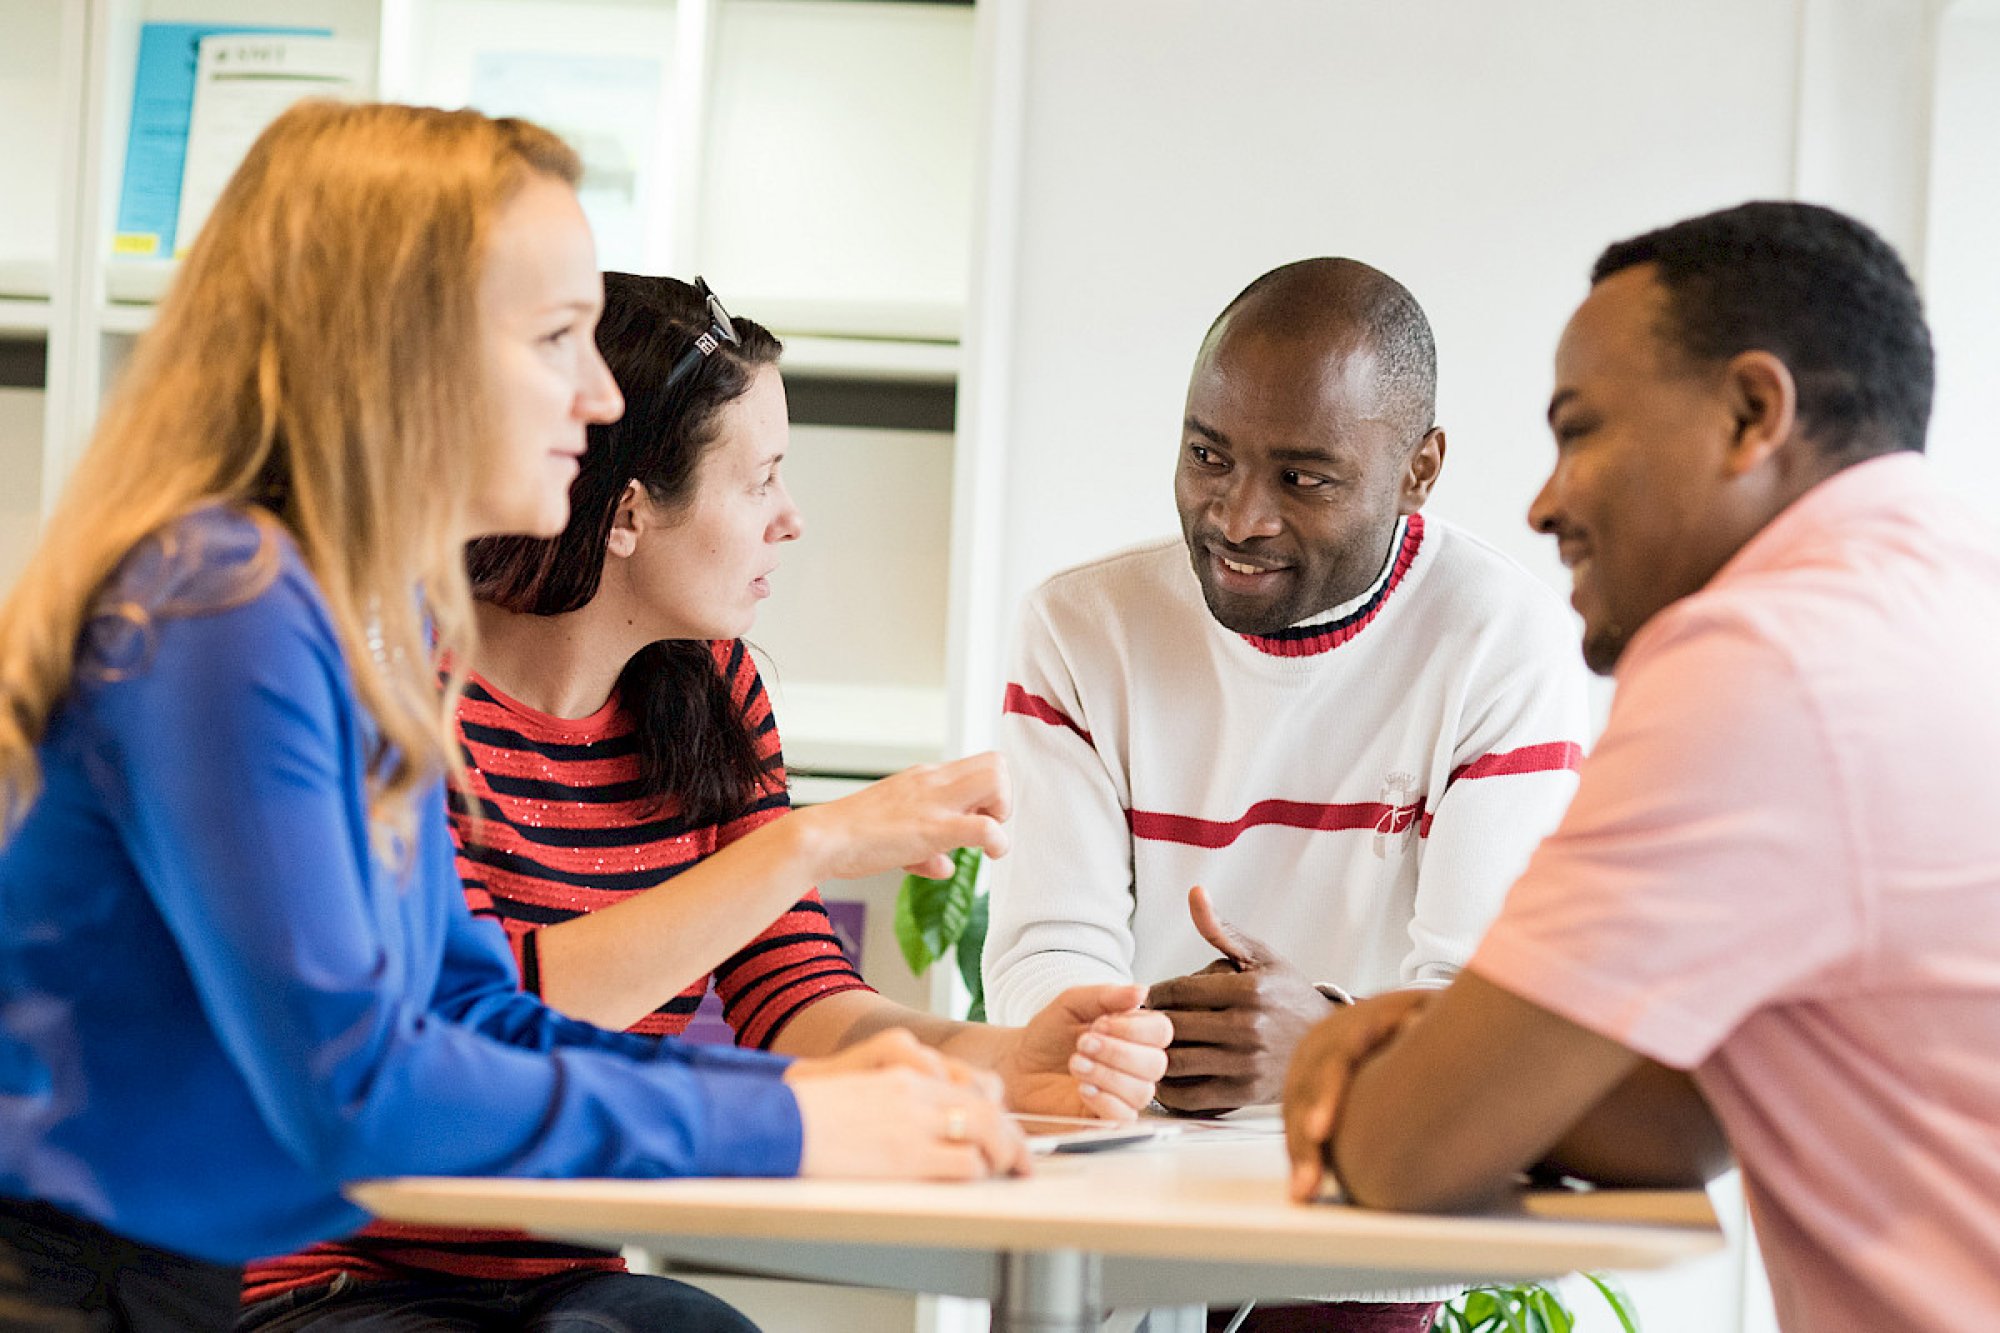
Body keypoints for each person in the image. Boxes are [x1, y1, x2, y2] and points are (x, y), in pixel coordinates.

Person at [0, 102, 1025, 1333]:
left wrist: (847, 1087)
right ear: (399, 349)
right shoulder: (227, 604)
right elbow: (360, 1084)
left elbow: (471, 1011)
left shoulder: (363, 615)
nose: (598, 400)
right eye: (556, 339)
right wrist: (791, 1117)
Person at [237, 273, 1171, 1328]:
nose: (792, 520)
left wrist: (1006, 1064)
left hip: (564, 1279)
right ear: (629, 512)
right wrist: (810, 842)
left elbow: (793, 999)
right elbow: (479, 1017)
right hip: (337, 1274)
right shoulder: (394, 687)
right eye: (759, 480)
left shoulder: (713, 695)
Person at [1282, 201, 2000, 1332]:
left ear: (1750, 412)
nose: (1543, 501)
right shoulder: (1945, 598)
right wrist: (1434, 1037)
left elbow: (1402, 1153)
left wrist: (1363, 1046)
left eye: (1579, 430)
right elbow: (1694, 1119)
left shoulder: (1766, 659)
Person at [981, 258, 1591, 1330]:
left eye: (1302, 478)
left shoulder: (1501, 643)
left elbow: (1487, 1013)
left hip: (1355, 1227)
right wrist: (1137, 1039)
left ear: (1419, 469)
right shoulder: (1078, 630)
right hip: (1107, 1207)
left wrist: (1321, 1046)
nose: (1238, 516)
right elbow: (1039, 958)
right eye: (1206, 454)